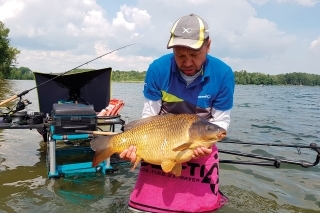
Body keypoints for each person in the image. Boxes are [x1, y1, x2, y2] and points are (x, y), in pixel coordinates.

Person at [120, 13, 235, 213]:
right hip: (160, 144)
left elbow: (221, 122)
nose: (188, 62)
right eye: (180, 55)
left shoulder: (223, 74)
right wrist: (135, 147)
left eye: (194, 55)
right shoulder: (157, 69)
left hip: (201, 144)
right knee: (141, 208)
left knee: (203, 208)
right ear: (172, 49)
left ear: (208, 46)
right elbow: (149, 115)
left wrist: (206, 144)